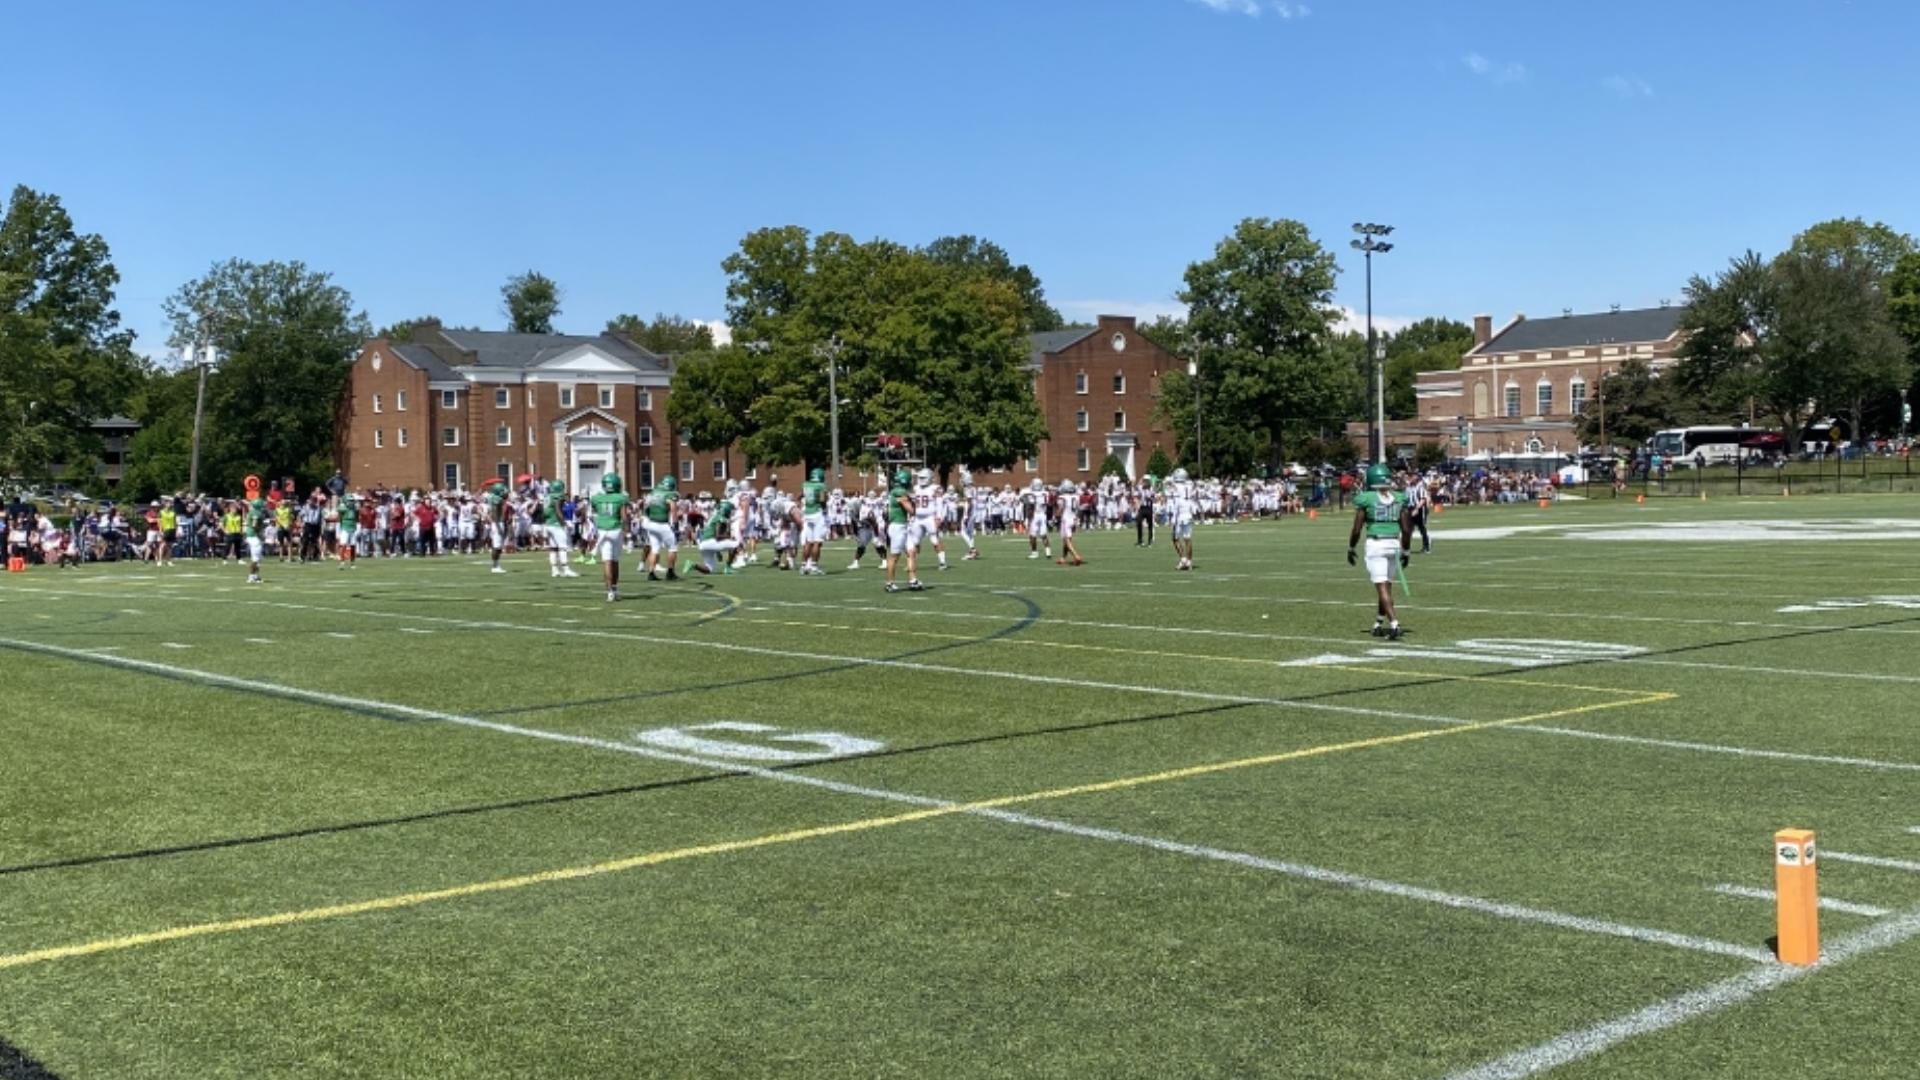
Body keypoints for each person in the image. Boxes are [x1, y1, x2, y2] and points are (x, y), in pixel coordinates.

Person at [1347, 463, 1412, 640]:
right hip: (1394, 544)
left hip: (1376, 544)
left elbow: (1356, 529)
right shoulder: (1399, 497)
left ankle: (1395, 624)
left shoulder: (1366, 498)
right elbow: (1406, 529)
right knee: (1386, 587)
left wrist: (1351, 547)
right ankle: (1378, 622)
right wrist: (1406, 551)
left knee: (1382, 587)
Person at [588, 473, 630, 600]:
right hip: (615, 530)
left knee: (607, 561)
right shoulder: (621, 498)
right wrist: (628, 533)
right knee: (615, 561)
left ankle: (610, 591)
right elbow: (624, 517)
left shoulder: (596, 498)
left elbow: (594, 512)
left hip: (602, 531)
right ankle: (615, 589)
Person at [883, 468, 920, 593]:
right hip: (897, 526)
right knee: (895, 556)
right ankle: (889, 583)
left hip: (903, 526)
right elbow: (911, 510)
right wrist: (912, 502)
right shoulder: (899, 491)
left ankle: (913, 580)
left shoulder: (898, 490)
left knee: (911, 552)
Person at [695, 482, 740, 575]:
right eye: (731, 510)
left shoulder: (715, 516)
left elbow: (716, 538)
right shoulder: (721, 518)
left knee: (709, 569)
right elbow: (718, 536)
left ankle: (693, 565)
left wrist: (718, 551)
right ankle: (728, 567)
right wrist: (728, 537)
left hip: (704, 544)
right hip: (709, 542)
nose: (732, 512)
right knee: (736, 544)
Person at [541, 480, 579, 579]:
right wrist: (564, 523)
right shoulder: (557, 497)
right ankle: (566, 569)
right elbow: (558, 511)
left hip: (548, 524)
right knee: (563, 547)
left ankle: (554, 570)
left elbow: (545, 512)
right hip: (556, 524)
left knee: (553, 548)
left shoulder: (547, 497)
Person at [800, 467, 829, 575]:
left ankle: (804, 566)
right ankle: (814, 566)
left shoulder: (805, 484)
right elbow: (822, 500)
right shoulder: (821, 485)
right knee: (817, 541)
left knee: (808, 542)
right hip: (817, 513)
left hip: (807, 513)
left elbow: (802, 496)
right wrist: (825, 508)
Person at [1168, 468, 1196, 571]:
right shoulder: (1189, 485)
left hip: (1179, 515)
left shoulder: (1176, 487)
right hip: (1188, 513)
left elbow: (1167, 486)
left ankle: (1183, 559)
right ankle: (1189, 562)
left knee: (1175, 539)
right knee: (1187, 539)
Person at [1055, 480, 1085, 567]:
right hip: (1074, 519)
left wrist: (1056, 516)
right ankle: (1063, 558)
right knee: (1067, 540)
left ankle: (1076, 556)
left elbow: (1061, 508)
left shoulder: (1062, 497)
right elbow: (1078, 509)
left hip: (1066, 519)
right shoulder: (1076, 497)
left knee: (1066, 540)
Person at [1405, 468, 1432, 555]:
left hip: (1419, 509)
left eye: (1411, 476)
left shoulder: (1420, 487)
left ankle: (1426, 547)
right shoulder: (1408, 487)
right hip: (1410, 508)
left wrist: (1416, 509)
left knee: (1422, 528)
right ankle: (1406, 547)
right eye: (1409, 476)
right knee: (1408, 529)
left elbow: (1423, 499)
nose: (1410, 477)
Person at [1025, 478, 1051, 560]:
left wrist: (1028, 517)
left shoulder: (1031, 494)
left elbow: (1031, 506)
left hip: (1035, 515)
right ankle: (1048, 552)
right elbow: (1048, 504)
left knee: (1032, 535)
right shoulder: (1045, 493)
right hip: (1043, 515)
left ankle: (1034, 553)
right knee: (1044, 534)